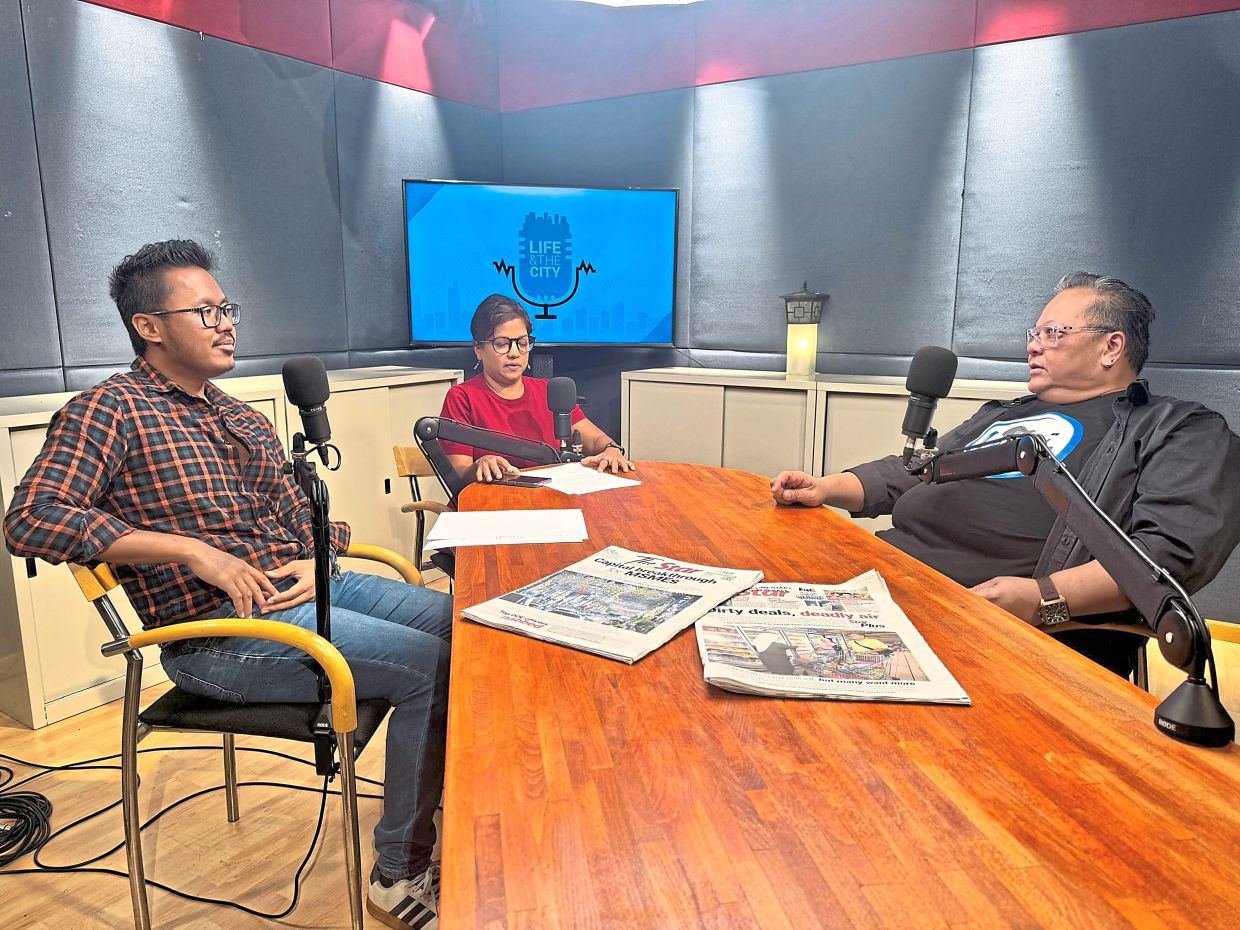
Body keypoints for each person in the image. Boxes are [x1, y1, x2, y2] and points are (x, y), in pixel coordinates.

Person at [3, 240, 450, 930]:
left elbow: (304, 515)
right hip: (215, 636)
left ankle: (440, 795)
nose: (226, 324)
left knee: (464, 624)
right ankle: (400, 871)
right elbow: (31, 519)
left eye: (227, 308)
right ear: (149, 326)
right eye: (205, 311)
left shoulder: (241, 417)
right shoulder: (109, 411)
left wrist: (315, 555)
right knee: (429, 664)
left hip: (302, 590)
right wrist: (189, 552)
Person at [771, 272, 1240, 678]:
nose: (1034, 345)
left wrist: (1044, 597)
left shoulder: (1177, 429)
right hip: (883, 577)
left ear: (1111, 346)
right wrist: (825, 487)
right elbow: (914, 471)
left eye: (1054, 333)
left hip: (982, 618)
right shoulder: (1001, 414)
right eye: (1034, 332)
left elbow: (1166, 559)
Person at [438, 294, 636, 482]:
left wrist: (611, 450)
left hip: (546, 502)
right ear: (478, 349)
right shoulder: (462, 397)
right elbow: (460, 474)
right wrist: (481, 465)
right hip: (489, 507)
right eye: (502, 344)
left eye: (523, 343)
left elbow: (595, 440)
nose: (514, 353)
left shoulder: (548, 391)